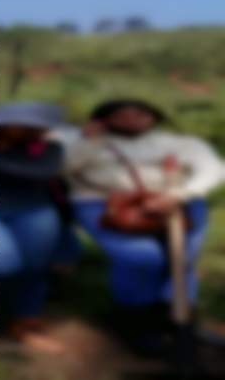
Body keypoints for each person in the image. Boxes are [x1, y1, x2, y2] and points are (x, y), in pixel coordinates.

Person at [64, 99, 223, 355]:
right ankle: (136, 320)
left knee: (182, 257)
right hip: (105, 204)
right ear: (105, 117)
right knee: (142, 257)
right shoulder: (84, 140)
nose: (130, 118)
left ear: (153, 116)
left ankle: (176, 317)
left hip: (173, 201)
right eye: (121, 113)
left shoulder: (175, 142)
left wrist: (180, 194)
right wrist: (88, 142)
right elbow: (63, 168)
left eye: (139, 113)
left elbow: (213, 168)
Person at [0, 102, 69, 354]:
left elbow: (42, 173)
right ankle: (5, 314)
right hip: (1, 213)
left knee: (36, 268)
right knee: (6, 264)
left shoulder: (49, 149)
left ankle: (26, 322)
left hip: (36, 211)